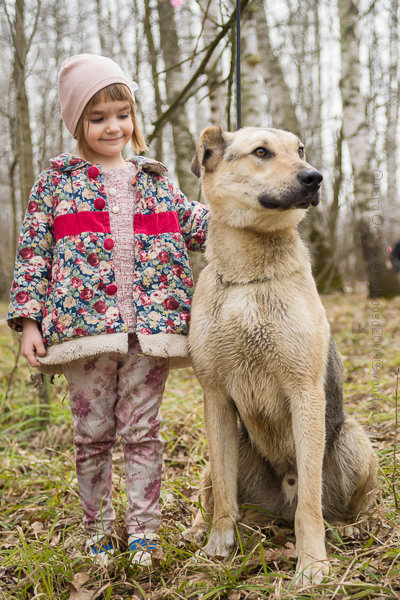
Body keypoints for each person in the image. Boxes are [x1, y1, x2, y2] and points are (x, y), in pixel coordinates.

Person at [7, 54, 208, 567]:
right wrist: (29, 320)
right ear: (77, 123)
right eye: (97, 118)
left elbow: (201, 223)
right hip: (84, 332)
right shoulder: (58, 182)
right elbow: (34, 252)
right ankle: (96, 528)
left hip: (151, 328)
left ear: (134, 115)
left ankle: (144, 531)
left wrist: (244, 192)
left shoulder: (155, 178)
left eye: (122, 113)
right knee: (92, 435)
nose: (113, 126)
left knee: (142, 432)